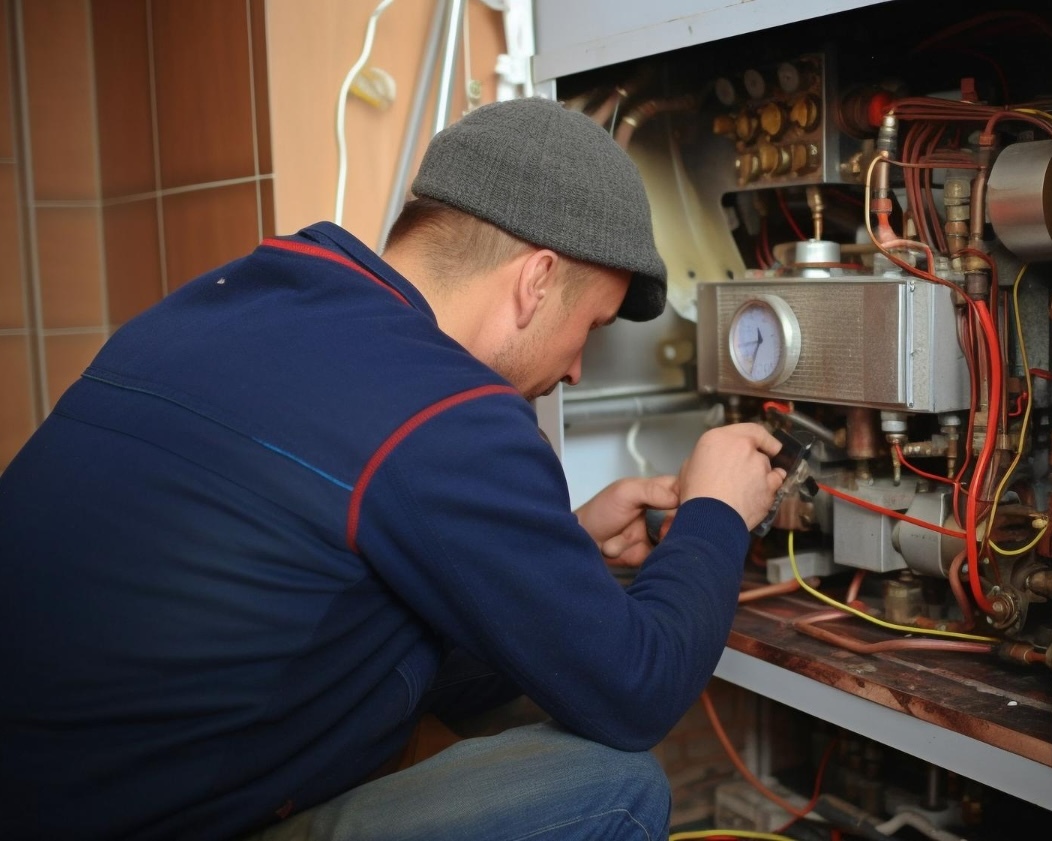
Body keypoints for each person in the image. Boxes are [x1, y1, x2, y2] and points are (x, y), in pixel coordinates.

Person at [0, 97, 784, 840]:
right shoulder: (447, 411)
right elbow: (633, 692)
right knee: (615, 787)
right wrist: (717, 507)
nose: (578, 369)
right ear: (536, 281)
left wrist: (565, 546)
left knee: (433, 669)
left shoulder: (233, 299)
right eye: (591, 328)